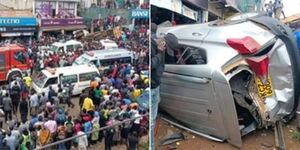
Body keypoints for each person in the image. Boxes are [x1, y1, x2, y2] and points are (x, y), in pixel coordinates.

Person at [150, 32, 179, 149]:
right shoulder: (151, 47)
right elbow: (150, 65)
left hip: (156, 86)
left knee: (154, 116)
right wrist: (160, 53)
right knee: (151, 122)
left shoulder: (159, 48)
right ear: (163, 43)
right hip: (152, 87)